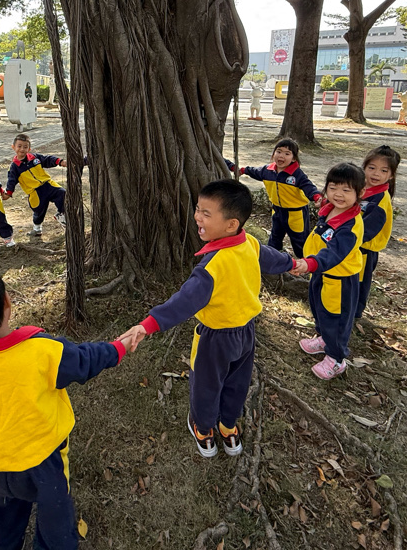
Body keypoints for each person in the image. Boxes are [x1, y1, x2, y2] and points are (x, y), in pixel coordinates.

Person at [0, 265, 134, 550]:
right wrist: (117, 348)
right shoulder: (41, 351)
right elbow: (85, 360)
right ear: (7, 302)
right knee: (55, 522)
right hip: (43, 461)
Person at [120, 180, 300, 458]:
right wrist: (295, 263)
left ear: (231, 224)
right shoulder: (249, 243)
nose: (197, 217)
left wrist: (147, 325)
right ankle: (228, 427)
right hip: (245, 335)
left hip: (214, 339)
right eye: (197, 209)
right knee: (237, 383)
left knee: (206, 386)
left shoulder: (212, 266)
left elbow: (183, 302)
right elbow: (272, 258)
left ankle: (203, 429)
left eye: (206, 213)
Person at [298, 163, 365, 380]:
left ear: (360, 193)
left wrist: (311, 263)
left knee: (336, 318)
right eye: (333, 187)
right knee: (319, 308)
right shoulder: (329, 210)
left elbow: (335, 252)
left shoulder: (350, 226)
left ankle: (336, 359)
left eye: (346, 190)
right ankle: (324, 339)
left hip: (339, 279)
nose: (338, 194)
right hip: (321, 272)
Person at [240, 138, 322, 257]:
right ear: (274, 153)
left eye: (287, 153)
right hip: (277, 211)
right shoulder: (267, 171)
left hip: (296, 213)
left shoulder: (297, 174)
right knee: (275, 238)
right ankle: (273, 259)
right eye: (278, 151)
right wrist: (242, 170)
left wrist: (316, 197)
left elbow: (308, 186)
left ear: (294, 158)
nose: (281, 156)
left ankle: (305, 262)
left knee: (299, 240)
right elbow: (254, 171)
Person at [357, 145, 400, 319]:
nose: (376, 174)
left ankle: (354, 314)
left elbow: (368, 230)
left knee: (359, 283)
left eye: (383, 171)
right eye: (372, 168)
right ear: (364, 167)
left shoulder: (381, 199)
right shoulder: (359, 188)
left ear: (391, 175)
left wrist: (346, 239)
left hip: (363, 249)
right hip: (349, 244)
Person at [4, 134, 67, 237]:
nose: (22, 149)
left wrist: (60, 161)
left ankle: (61, 214)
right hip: (35, 192)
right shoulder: (14, 167)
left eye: (25, 147)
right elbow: (11, 181)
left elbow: (47, 159)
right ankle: (37, 228)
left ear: (29, 149)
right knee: (39, 210)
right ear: (13, 147)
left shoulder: (35, 158)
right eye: (19, 146)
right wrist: (8, 193)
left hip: (47, 184)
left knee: (62, 193)